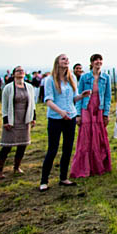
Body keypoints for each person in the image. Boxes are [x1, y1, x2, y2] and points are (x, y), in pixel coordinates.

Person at [40, 54, 89, 192]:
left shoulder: (71, 78)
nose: (66, 61)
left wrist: (82, 96)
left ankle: (63, 177)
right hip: (56, 118)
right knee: (53, 149)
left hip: (71, 117)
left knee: (67, 148)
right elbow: (48, 100)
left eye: (67, 59)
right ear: (57, 62)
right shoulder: (50, 80)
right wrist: (61, 112)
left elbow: (74, 98)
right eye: (63, 59)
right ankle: (44, 180)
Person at [70, 53, 113, 178]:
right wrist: (78, 114)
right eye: (95, 60)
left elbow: (108, 97)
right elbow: (79, 95)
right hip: (86, 108)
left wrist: (106, 113)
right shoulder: (84, 77)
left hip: (99, 109)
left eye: (100, 60)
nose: (98, 62)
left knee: (99, 138)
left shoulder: (106, 78)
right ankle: (84, 167)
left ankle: (99, 166)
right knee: (85, 138)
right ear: (91, 63)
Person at [0, 66, 36, 179]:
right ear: (13, 74)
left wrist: (33, 117)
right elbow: (4, 105)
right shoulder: (8, 88)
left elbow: (32, 103)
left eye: (22, 70)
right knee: (7, 146)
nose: (21, 72)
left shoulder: (29, 87)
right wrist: (5, 120)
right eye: (18, 71)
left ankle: (16, 167)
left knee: (22, 145)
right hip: (12, 117)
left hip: (24, 118)